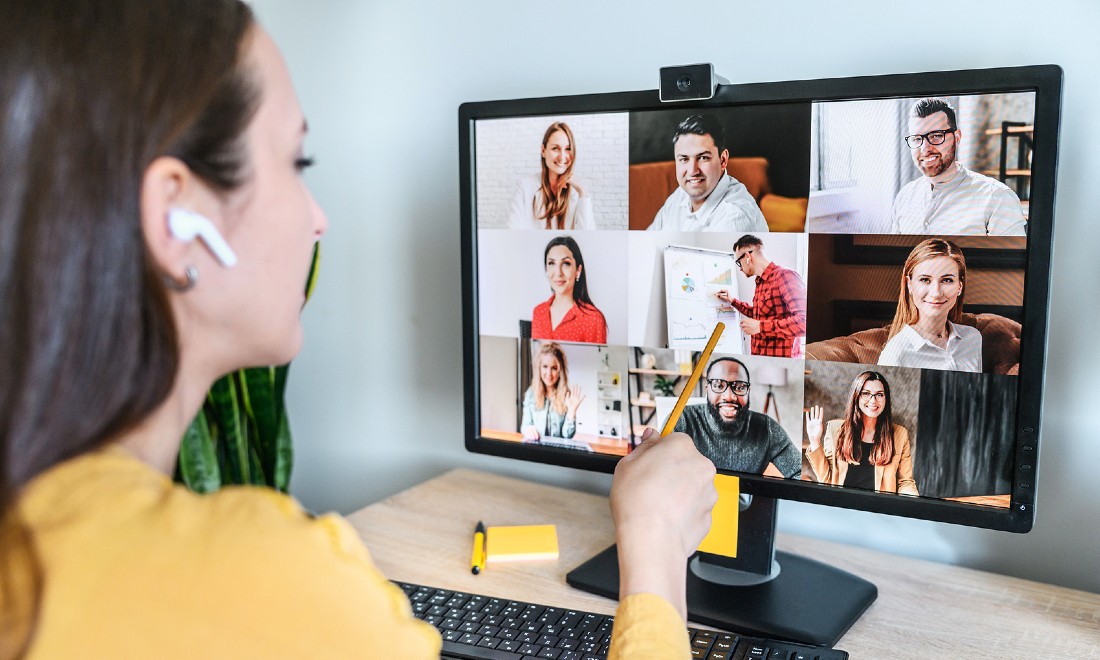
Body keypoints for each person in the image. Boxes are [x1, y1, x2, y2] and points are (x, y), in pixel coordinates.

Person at [0, 2, 718, 658]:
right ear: (176, 219)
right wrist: (652, 554)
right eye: (294, 162)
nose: (319, 218)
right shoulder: (267, 586)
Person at [892, 97, 1027, 236]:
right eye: (917, 139)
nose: (925, 148)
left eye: (936, 136)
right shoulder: (904, 197)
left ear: (957, 137)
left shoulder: (998, 197)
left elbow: (1011, 258)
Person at [673, 358, 801, 478]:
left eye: (739, 387)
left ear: (748, 391)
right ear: (707, 389)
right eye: (718, 385)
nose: (729, 396)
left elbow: (799, 472)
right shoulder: (682, 421)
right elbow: (659, 471)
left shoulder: (767, 429)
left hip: (746, 502)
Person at [646, 114, 768, 232]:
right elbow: (646, 244)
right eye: (684, 159)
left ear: (723, 159)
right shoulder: (679, 196)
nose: (693, 171)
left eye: (703, 158)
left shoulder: (733, 217)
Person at [804, 371, 918, 495]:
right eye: (866, 394)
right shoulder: (834, 429)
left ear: (886, 399)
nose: (873, 400)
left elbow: (906, 482)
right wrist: (814, 441)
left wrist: (912, 501)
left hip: (878, 508)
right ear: (856, 396)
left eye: (879, 395)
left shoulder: (900, 434)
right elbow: (827, 481)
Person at [878, 238, 982, 372]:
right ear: (909, 284)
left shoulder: (973, 338)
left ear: (959, 287)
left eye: (947, 280)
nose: (936, 293)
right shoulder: (896, 353)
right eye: (925, 280)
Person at [716, 235, 807, 358]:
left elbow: (804, 322)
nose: (740, 269)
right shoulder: (760, 282)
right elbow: (760, 314)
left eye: (739, 262)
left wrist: (760, 327)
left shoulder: (785, 276)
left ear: (748, 257)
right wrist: (732, 301)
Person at [508, 121, 594, 230]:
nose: (562, 157)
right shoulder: (525, 186)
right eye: (555, 148)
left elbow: (587, 237)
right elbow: (514, 232)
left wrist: (583, 192)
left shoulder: (577, 192)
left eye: (568, 149)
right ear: (543, 151)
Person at [530, 236, 608, 344]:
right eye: (551, 263)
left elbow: (596, 360)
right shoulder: (539, 312)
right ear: (546, 269)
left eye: (566, 263)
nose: (558, 272)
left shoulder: (593, 319)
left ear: (578, 270)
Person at [521, 342, 584, 440]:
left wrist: (572, 412)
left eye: (554, 368)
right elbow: (524, 426)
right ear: (539, 368)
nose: (548, 373)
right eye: (545, 366)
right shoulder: (530, 393)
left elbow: (567, 435)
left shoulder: (567, 395)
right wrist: (528, 430)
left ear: (560, 371)